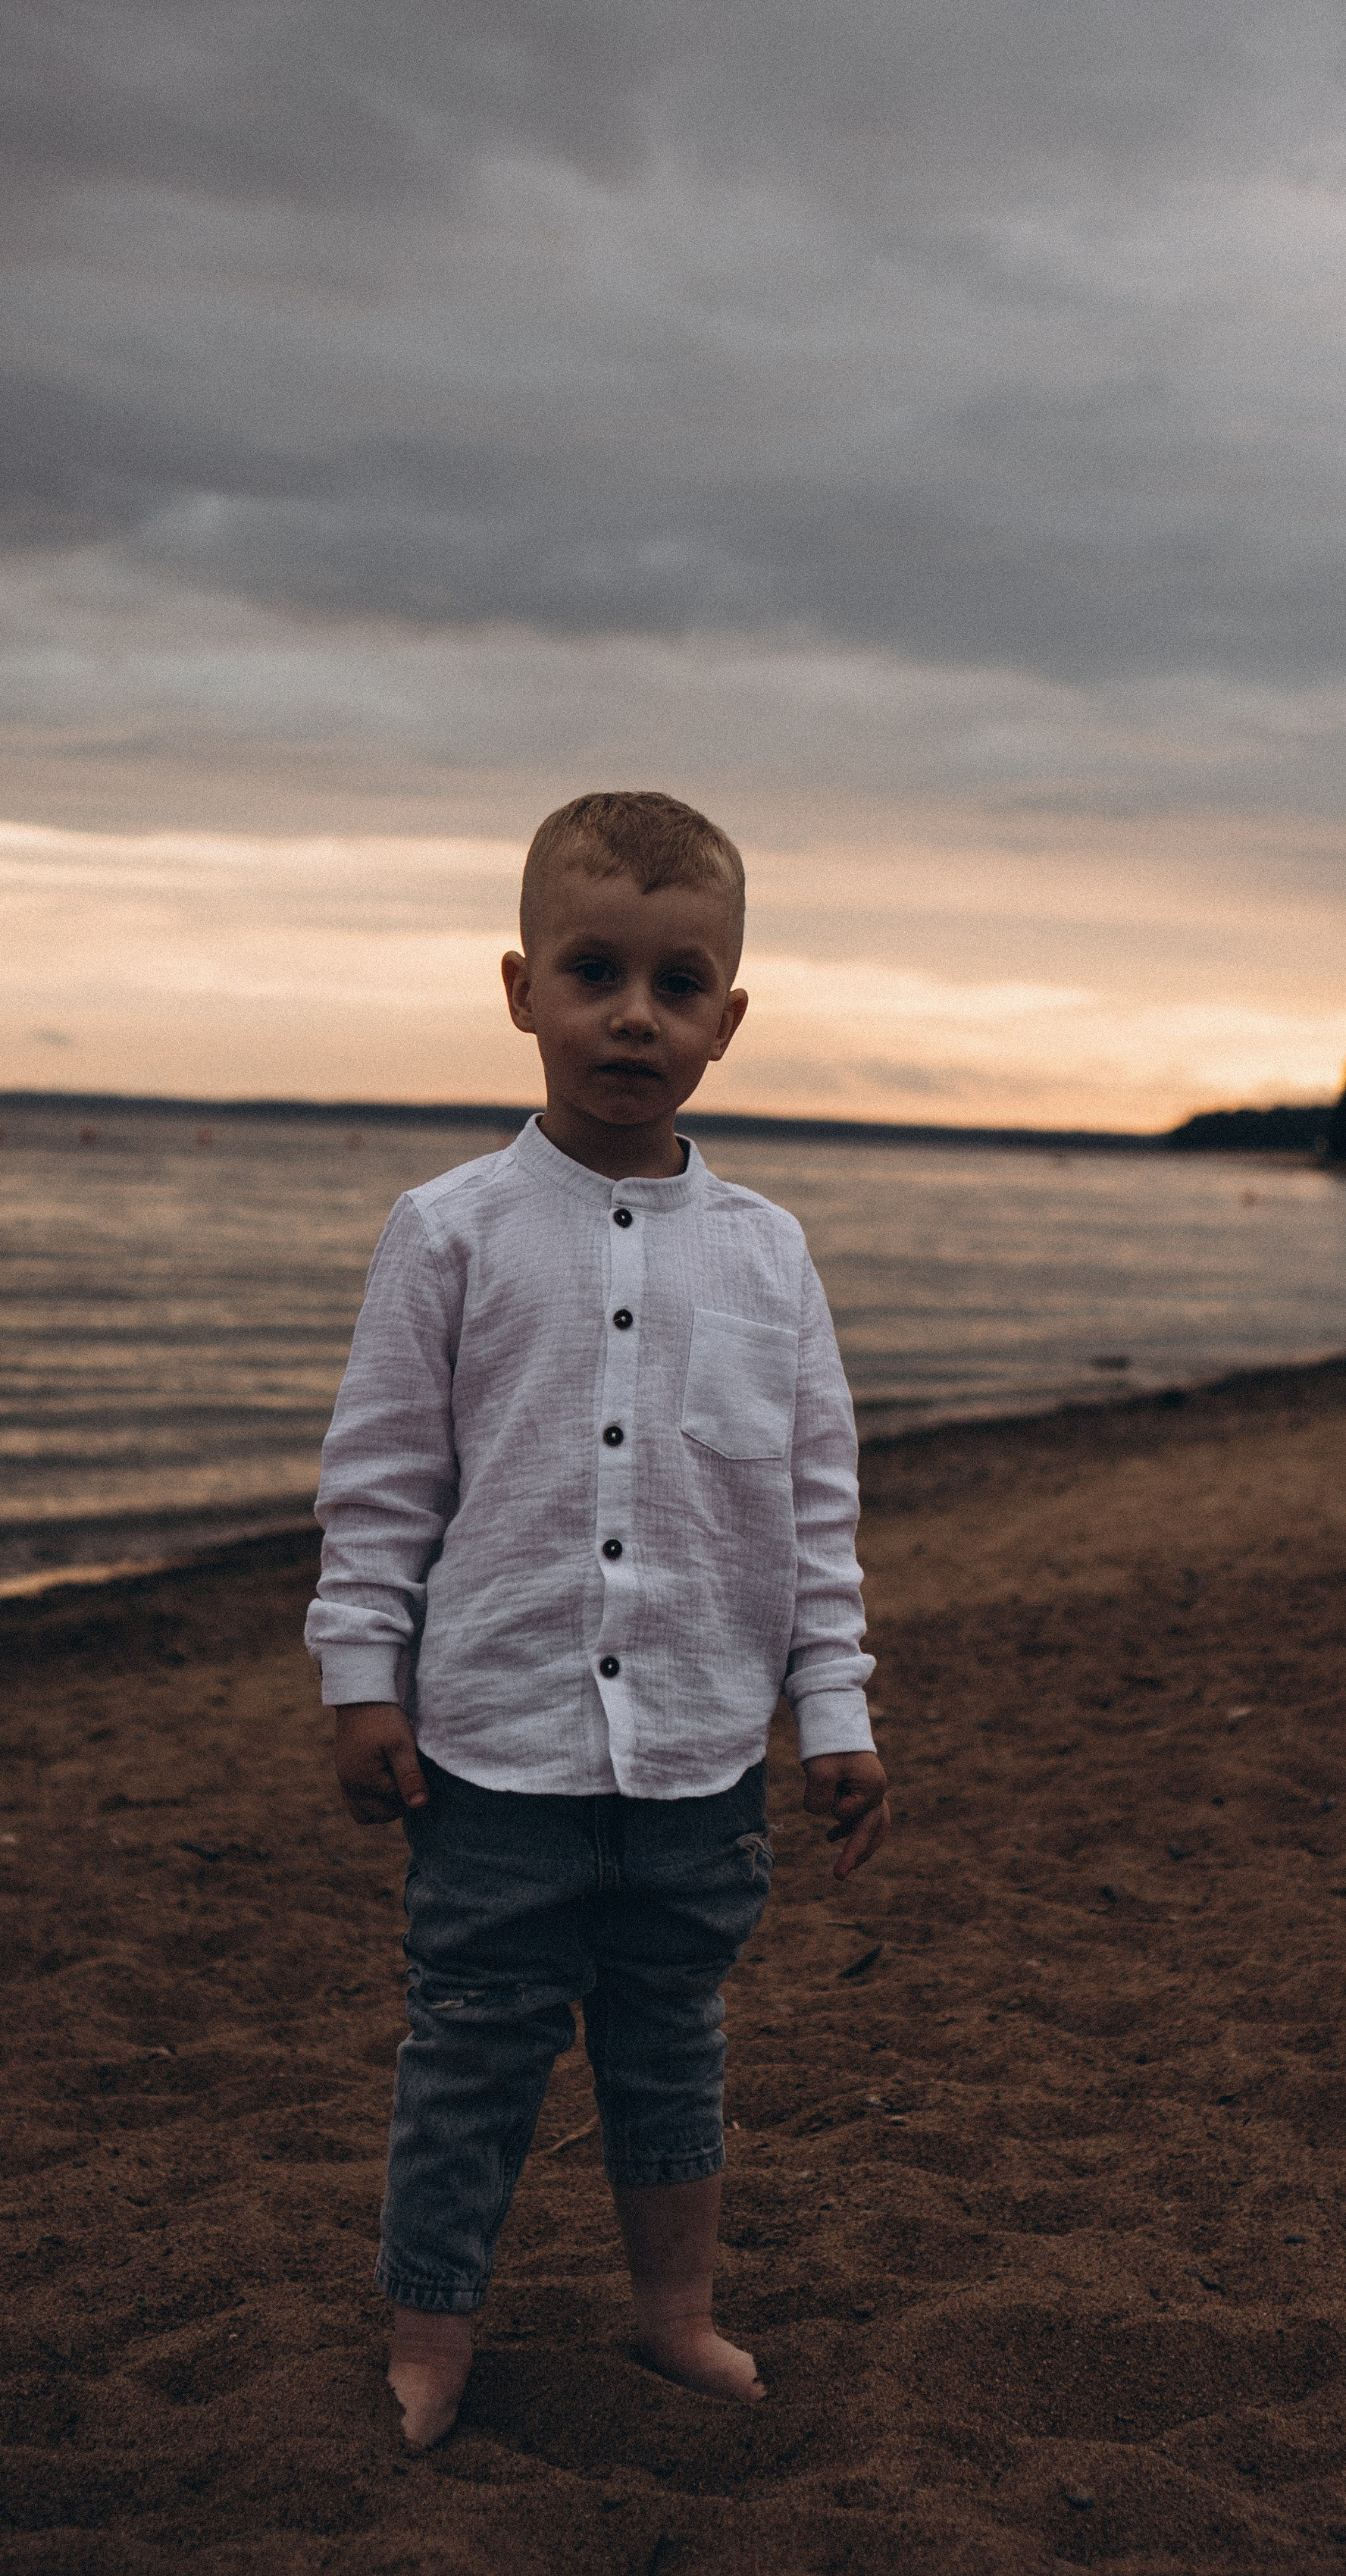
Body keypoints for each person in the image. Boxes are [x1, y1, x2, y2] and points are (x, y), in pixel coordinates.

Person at [305, 791, 888, 2446]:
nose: (634, 1013)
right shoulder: (448, 1234)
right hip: (492, 1752)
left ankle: (675, 2318)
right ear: (520, 992)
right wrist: (363, 1682)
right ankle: (430, 2342)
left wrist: (830, 1717)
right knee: (472, 2058)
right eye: (593, 971)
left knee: (666, 2052)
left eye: (677, 983)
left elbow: (813, 1511)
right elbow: (381, 1482)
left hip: (700, 1762)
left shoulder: (771, 1259)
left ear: (727, 1019)